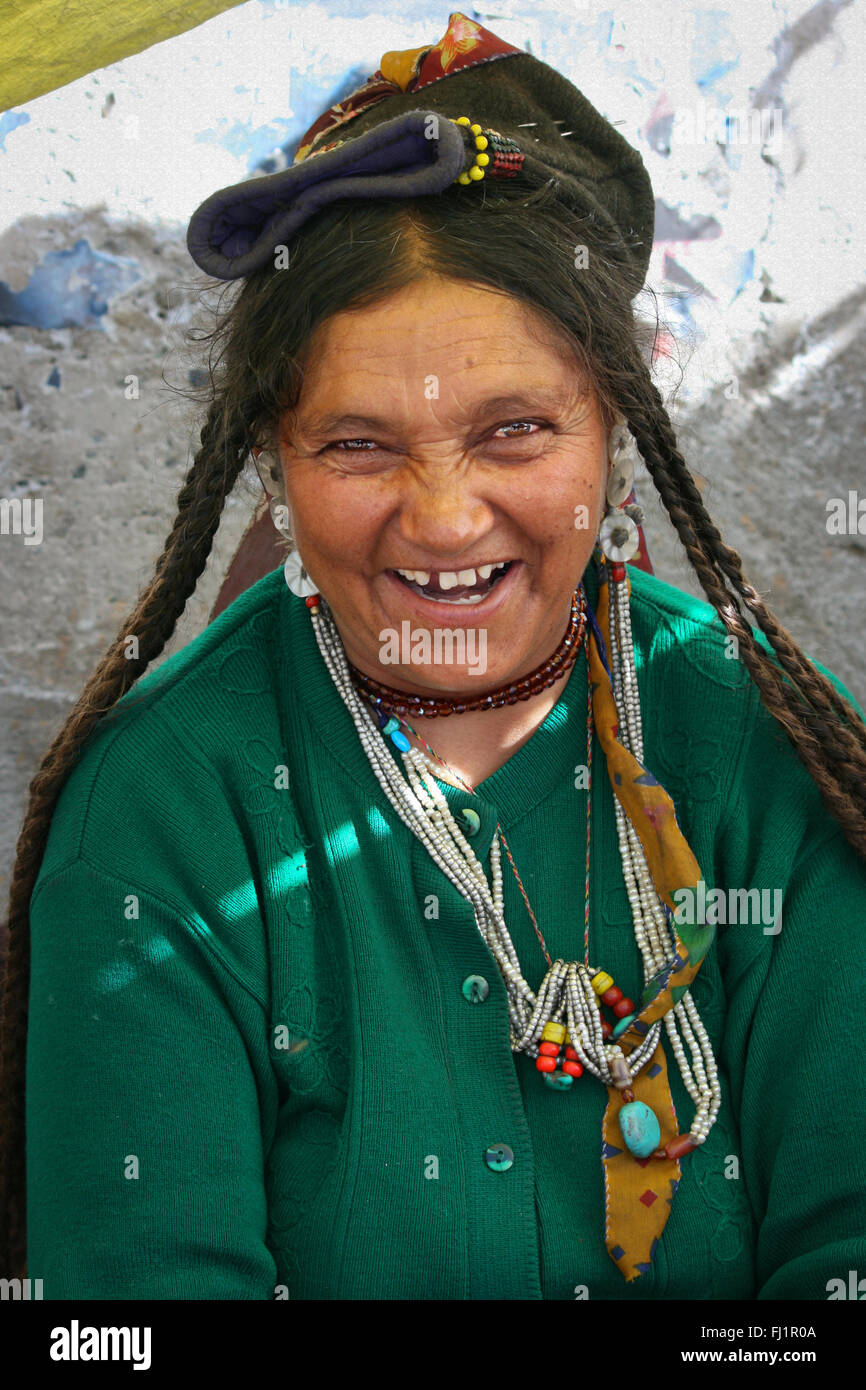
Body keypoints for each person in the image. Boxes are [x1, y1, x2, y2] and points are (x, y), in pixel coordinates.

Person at [3, 11, 866, 1301]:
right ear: (273, 461)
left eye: (515, 429)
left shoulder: (769, 754)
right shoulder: (160, 820)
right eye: (357, 445)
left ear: (613, 431)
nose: (447, 517)